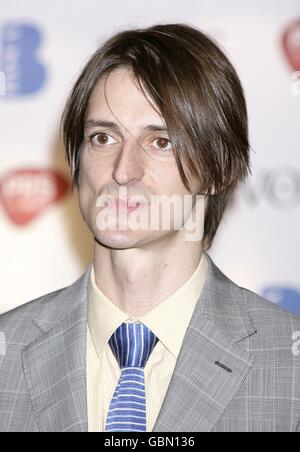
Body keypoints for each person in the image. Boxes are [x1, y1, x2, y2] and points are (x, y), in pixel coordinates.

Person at [0, 23, 299, 433]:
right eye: (103, 138)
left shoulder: (288, 361)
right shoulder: (6, 351)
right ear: (77, 159)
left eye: (161, 142)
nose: (123, 172)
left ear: (217, 168)